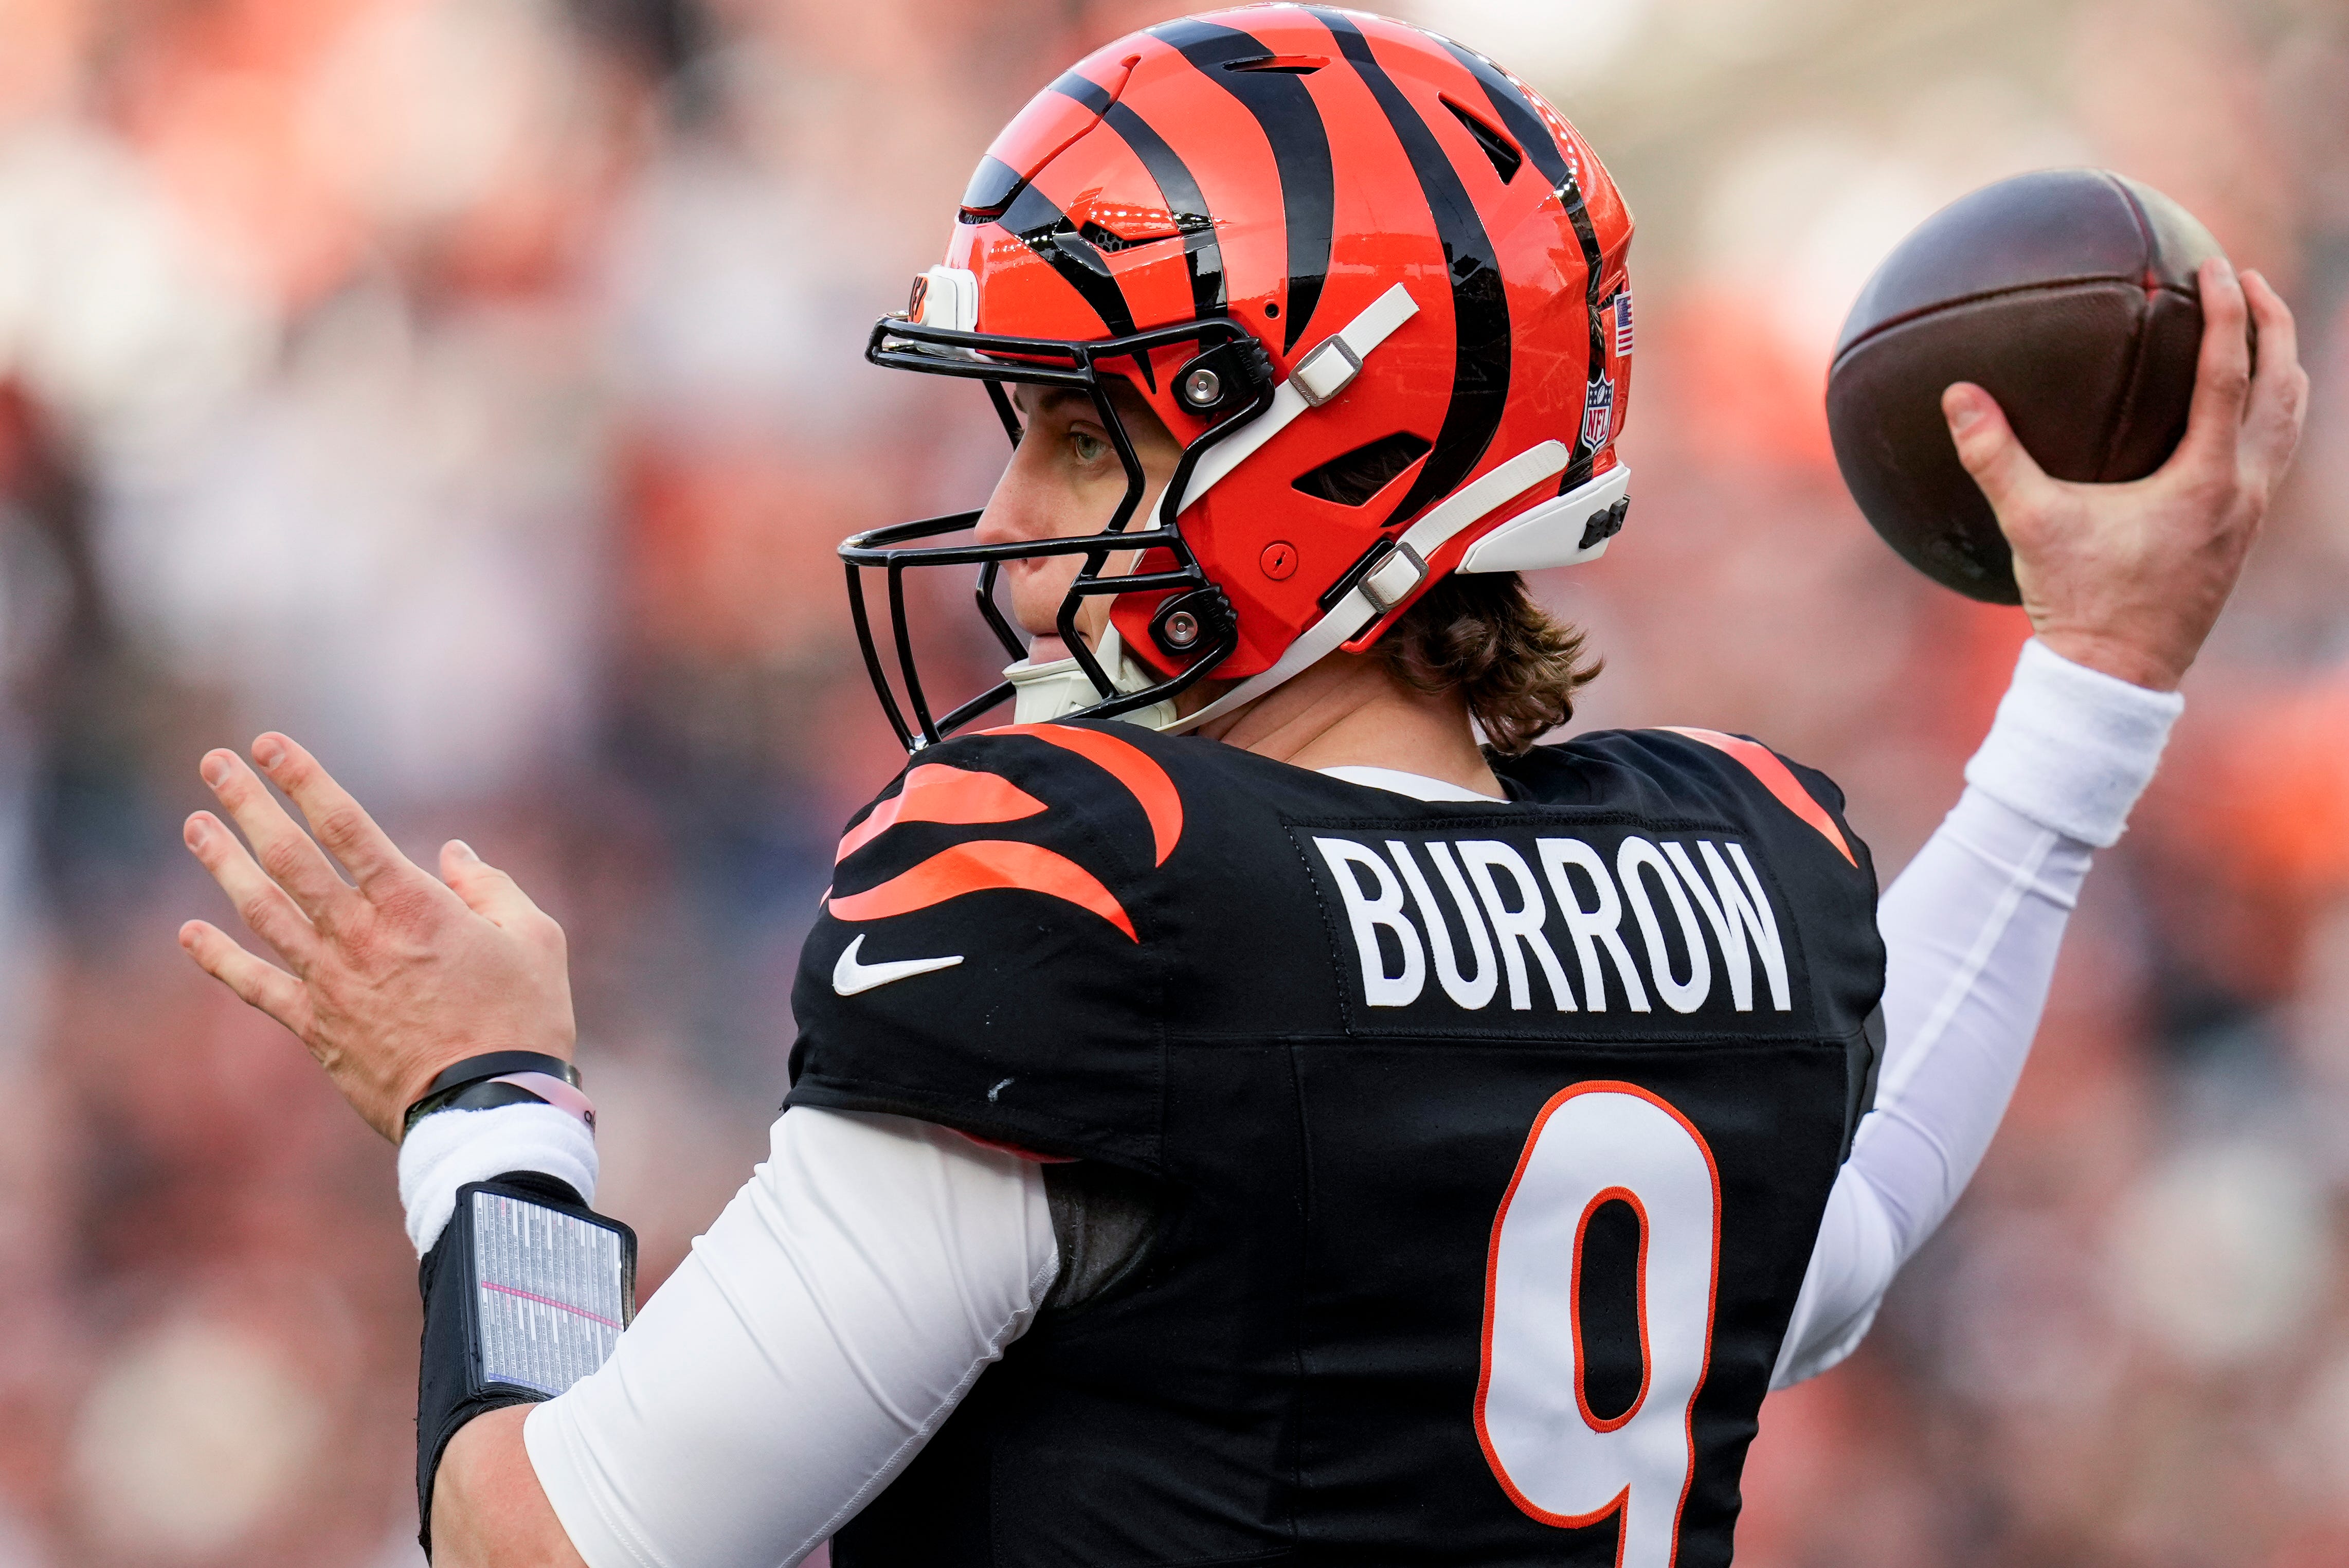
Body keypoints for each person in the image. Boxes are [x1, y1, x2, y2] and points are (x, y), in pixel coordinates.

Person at [174, 9, 2306, 1567]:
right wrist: (2097, 679)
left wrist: (489, 1116)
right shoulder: (1732, 869)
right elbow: (1825, 1250)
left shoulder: (1092, 901)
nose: (1005, 509)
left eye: (1081, 434)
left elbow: (574, 1551)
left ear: (1331, 448)